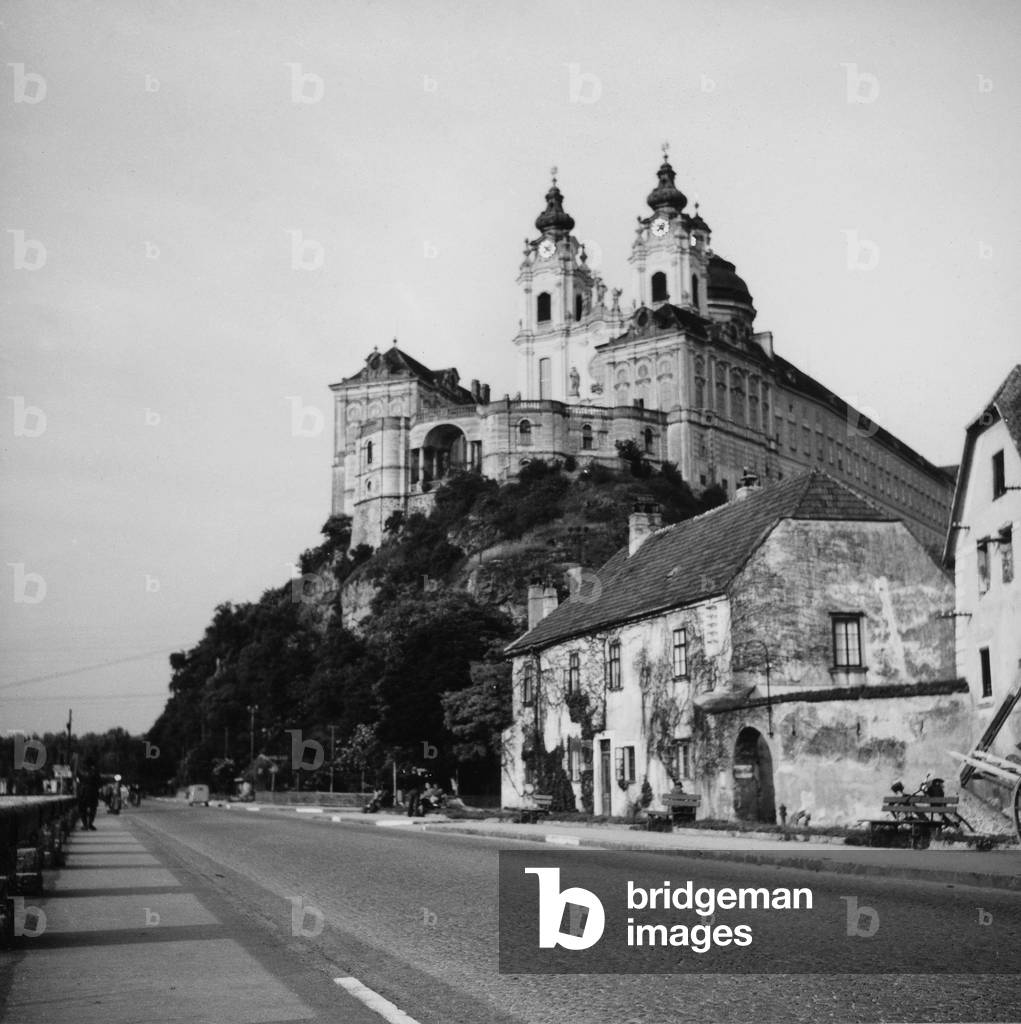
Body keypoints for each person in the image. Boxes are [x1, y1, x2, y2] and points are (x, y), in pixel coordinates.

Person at [78, 760, 101, 831]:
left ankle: (85, 824)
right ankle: (90, 824)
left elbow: (78, 780)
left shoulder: (81, 771)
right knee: (93, 809)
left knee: (82, 809)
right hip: (93, 792)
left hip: (83, 792)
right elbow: (99, 782)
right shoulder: (95, 772)